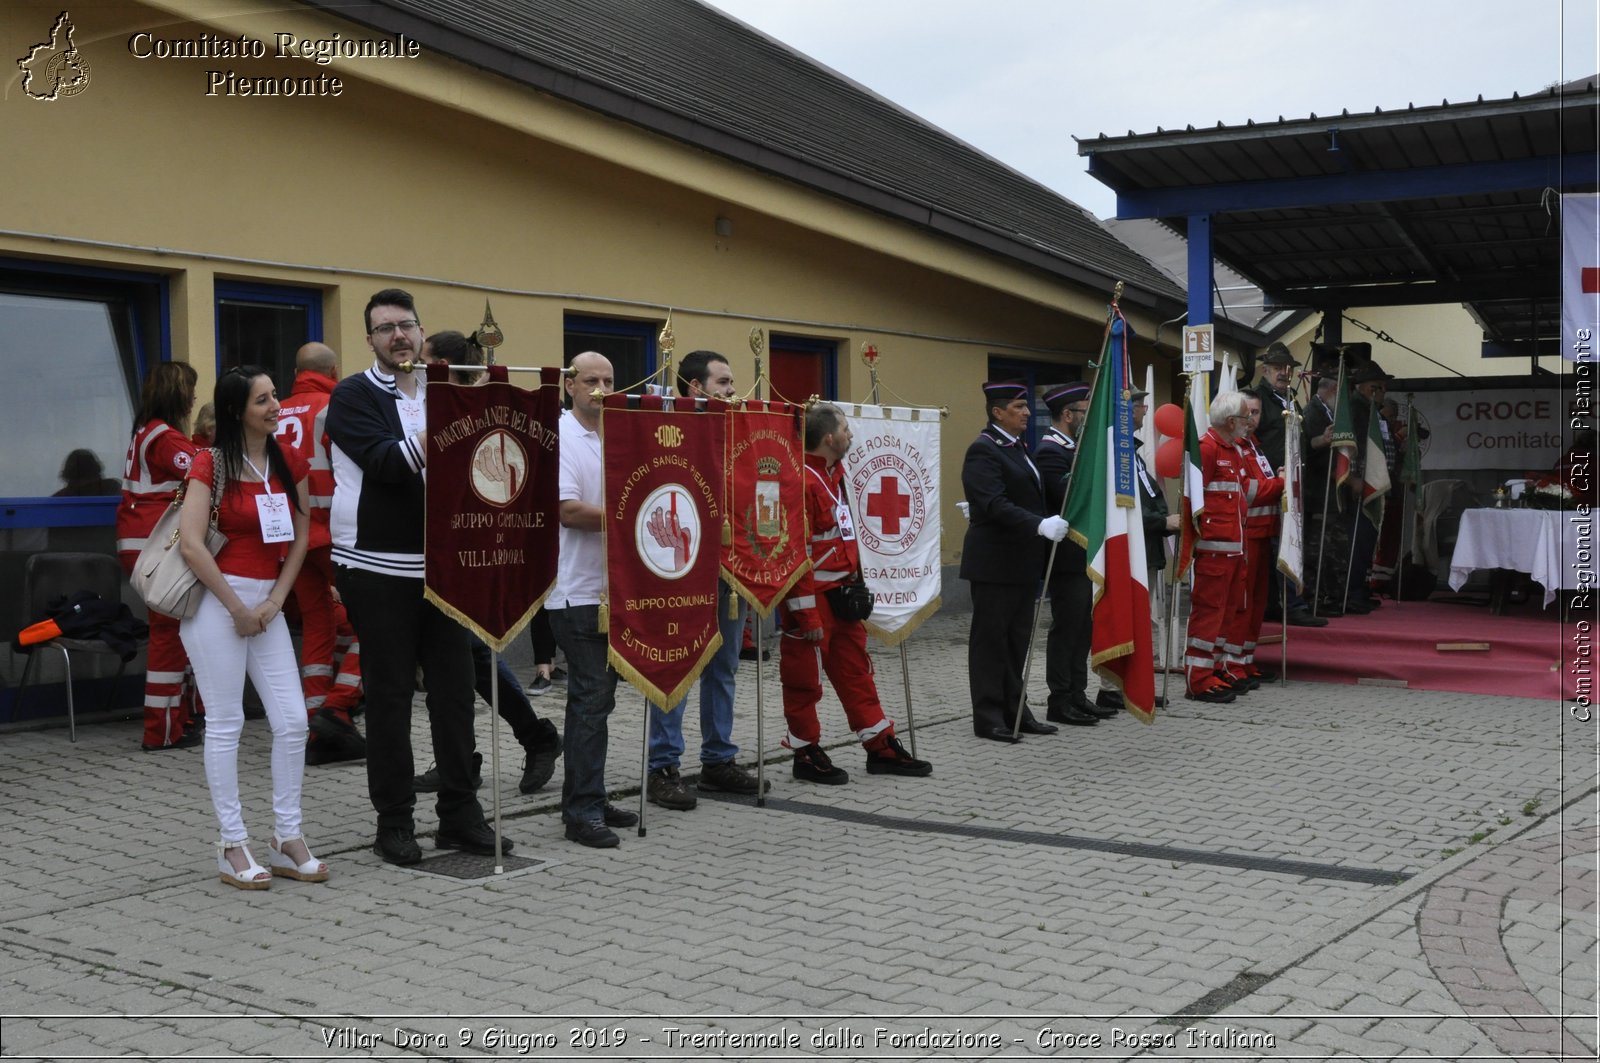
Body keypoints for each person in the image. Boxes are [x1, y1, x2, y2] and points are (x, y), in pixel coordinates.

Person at [326, 289, 510, 866]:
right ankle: (394, 822)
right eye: (385, 329)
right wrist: (457, 424)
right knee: (389, 697)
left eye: (406, 326)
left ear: (420, 330)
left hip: (446, 565)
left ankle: (460, 815)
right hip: (377, 567)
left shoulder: (444, 390)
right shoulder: (352, 394)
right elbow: (386, 464)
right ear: (371, 340)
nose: (398, 336)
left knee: (456, 696)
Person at [177, 365, 326, 889]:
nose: (275, 406)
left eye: (275, 395)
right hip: (217, 602)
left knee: (291, 721)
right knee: (226, 722)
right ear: (238, 409)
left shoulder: (288, 459)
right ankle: (232, 844)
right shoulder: (209, 462)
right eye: (263, 400)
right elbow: (191, 543)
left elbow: (304, 530)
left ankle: (287, 837)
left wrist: (276, 600)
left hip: (267, 604)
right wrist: (236, 605)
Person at [415, 329, 562, 795]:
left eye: (427, 360)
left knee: (469, 657)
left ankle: (525, 741)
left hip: (472, 546)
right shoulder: (431, 405)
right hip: (436, 544)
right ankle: (468, 755)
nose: (420, 369)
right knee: (457, 662)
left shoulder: (469, 407)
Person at [777, 402, 931, 783]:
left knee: (857, 673)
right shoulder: (801, 482)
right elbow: (795, 554)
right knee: (803, 681)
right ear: (829, 437)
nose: (851, 435)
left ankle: (880, 745)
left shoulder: (835, 475)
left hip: (843, 596)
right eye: (846, 428)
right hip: (811, 601)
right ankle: (805, 752)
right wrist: (807, 615)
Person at [646, 350, 766, 809]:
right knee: (676, 665)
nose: (733, 391)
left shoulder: (740, 429)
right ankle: (664, 766)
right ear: (696, 388)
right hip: (683, 569)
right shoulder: (668, 429)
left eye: (732, 382)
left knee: (724, 668)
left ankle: (717, 760)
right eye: (723, 383)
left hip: (732, 567)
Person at [547, 350, 637, 848]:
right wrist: (633, 517)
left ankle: (591, 796)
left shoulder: (619, 435)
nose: (601, 388)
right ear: (569, 386)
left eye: (608, 379)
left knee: (600, 701)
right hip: (576, 591)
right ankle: (581, 812)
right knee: (590, 700)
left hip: (616, 588)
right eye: (590, 380)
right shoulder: (562, 436)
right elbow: (568, 511)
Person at [960, 380, 1068, 742]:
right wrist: (1039, 524)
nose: (1026, 413)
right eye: (1019, 407)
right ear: (997, 412)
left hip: (1020, 563)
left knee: (1016, 641)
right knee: (991, 642)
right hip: (994, 564)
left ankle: (1015, 709)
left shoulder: (1016, 447)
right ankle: (988, 716)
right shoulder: (984, 450)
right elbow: (993, 503)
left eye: (1025, 407)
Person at [275, 341, 366, 765]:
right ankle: (339, 706)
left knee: (317, 623)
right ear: (333, 368)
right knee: (376, 621)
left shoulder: (276, 411)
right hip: (333, 531)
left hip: (290, 536)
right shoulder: (335, 406)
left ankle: (317, 727)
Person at [116, 362, 205, 751]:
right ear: (177, 394)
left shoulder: (146, 432)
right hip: (158, 546)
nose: (194, 398)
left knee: (176, 632)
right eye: (190, 389)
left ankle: (177, 721)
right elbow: (204, 473)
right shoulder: (166, 438)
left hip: (144, 545)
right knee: (170, 636)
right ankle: (163, 730)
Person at [1098, 388, 1178, 712]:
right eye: (1140, 405)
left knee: (1140, 621)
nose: (1145, 411)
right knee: (1125, 619)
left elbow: (1144, 498)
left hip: (1145, 548)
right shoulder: (1116, 454)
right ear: (1125, 411)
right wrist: (1162, 521)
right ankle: (1111, 687)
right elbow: (1120, 510)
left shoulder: (1133, 452)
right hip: (1130, 550)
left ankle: (1133, 685)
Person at [1032, 382, 1106, 726]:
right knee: (1067, 628)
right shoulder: (1051, 450)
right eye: (1082, 413)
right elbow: (1066, 496)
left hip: (1085, 554)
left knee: (1083, 627)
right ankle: (1059, 698)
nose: (1086, 420)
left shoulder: (1073, 447)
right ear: (1067, 415)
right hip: (1065, 557)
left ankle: (1078, 692)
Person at [1184, 391, 1257, 704]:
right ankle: (1197, 679)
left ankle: (1213, 668)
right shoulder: (1208, 448)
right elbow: (1193, 500)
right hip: (1215, 551)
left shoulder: (1233, 450)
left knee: (1226, 615)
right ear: (1231, 421)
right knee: (1209, 615)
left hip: (1233, 549)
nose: (1248, 423)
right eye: (1245, 417)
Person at [1224, 393, 1285, 687]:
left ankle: (1246, 661)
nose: (1252, 420)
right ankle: (1232, 664)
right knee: (1242, 604)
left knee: (1257, 603)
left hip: (1262, 534)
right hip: (1245, 535)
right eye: (1247, 414)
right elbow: (1249, 491)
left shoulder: (1254, 446)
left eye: (1257, 413)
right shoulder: (1236, 448)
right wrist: (1281, 483)